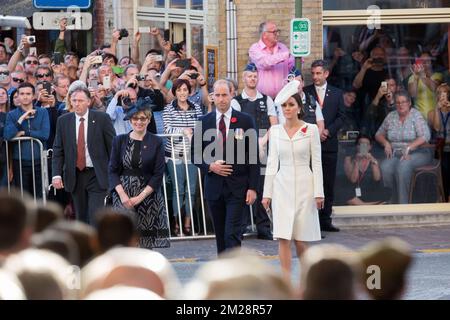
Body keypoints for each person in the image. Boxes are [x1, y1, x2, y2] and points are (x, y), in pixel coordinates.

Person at [262, 80, 324, 283]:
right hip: (282, 187)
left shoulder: (312, 129)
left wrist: (319, 192)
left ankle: (308, 280)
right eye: (284, 105)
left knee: (300, 238)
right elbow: (272, 163)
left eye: (291, 104)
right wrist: (267, 194)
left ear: (299, 107)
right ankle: (286, 283)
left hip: (306, 186)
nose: (287, 109)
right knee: (283, 236)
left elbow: (316, 162)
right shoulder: (276, 131)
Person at [191, 79, 259, 254]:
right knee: (221, 236)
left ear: (232, 94)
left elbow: (253, 156)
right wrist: (210, 166)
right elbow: (195, 154)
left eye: (225, 95)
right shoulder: (203, 121)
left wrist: (253, 187)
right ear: (212, 96)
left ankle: (235, 273)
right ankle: (224, 275)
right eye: (217, 95)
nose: (221, 99)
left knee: (232, 234)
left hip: (238, 188)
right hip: (214, 187)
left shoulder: (245, 120)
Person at [52, 84, 116, 225]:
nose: (77, 104)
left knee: (95, 215)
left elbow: (113, 148)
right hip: (75, 175)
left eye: (80, 100)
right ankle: (85, 245)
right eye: (74, 100)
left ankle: (97, 246)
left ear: (88, 101)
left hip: (97, 174)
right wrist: (56, 174)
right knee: (80, 217)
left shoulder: (102, 119)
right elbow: (58, 149)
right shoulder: (63, 121)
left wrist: (114, 173)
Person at [109, 104, 170, 249]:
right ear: (130, 120)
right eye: (135, 118)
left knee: (145, 245)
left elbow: (158, 174)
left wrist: (140, 197)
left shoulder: (156, 142)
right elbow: (112, 170)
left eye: (143, 118)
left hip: (148, 197)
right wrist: (123, 196)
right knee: (123, 241)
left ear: (149, 120)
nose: (139, 122)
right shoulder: (119, 140)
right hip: (122, 196)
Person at [230, 63, 276, 240]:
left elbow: (274, 124)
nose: (252, 79)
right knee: (243, 186)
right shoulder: (237, 101)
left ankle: (263, 227)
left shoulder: (267, 99)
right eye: (249, 76)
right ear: (244, 77)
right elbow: (235, 126)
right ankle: (240, 227)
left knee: (263, 187)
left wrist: (263, 142)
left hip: (264, 147)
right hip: (243, 148)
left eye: (255, 76)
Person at [304, 60, 345, 232]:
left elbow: (342, 117)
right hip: (309, 146)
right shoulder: (305, 92)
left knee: (327, 183)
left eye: (318, 73)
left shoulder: (336, 93)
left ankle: (325, 220)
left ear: (326, 74)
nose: (315, 77)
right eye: (313, 73)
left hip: (329, 144)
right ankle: (310, 220)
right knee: (310, 183)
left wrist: (328, 131)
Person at [375, 91, 432, 204]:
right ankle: (391, 201)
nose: (400, 105)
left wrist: (410, 147)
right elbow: (378, 134)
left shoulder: (416, 115)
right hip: (397, 153)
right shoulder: (391, 116)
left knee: (402, 167)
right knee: (385, 167)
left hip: (419, 152)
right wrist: (386, 143)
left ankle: (403, 205)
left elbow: (425, 136)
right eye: (398, 103)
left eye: (403, 102)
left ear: (409, 103)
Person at [163, 79, 203, 236]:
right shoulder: (168, 109)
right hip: (174, 154)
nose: (182, 93)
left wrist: (191, 131)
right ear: (174, 92)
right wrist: (184, 131)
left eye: (185, 90)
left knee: (191, 190)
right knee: (178, 189)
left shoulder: (196, 108)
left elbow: (200, 127)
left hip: (192, 154)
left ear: (189, 91)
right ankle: (177, 223)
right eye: (179, 90)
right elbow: (167, 128)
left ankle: (188, 223)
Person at [4, 82, 50, 199]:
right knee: (23, 197)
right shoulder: (12, 114)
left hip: (39, 160)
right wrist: (22, 118)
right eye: (22, 94)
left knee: (40, 196)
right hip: (20, 161)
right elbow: (7, 135)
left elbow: (45, 134)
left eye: (28, 94)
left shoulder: (43, 112)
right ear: (17, 96)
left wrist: (25, 133)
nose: (25, 96)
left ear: (34, 96)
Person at [249, 21, 295, 98]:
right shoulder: (255, 49)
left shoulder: (283, 48)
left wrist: (297, 59)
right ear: (264, 35)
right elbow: (265, 62)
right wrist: (286, 55)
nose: (277, 34)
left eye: (277, 31)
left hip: (283, 98)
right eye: (274, 32)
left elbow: (291, 68)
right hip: (262, 99)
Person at [342, 134, 390, 205]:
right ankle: (370, 205)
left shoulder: (374, 159)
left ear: (370, 147)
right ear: (357, 146)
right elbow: (353, 180)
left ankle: (362, 205)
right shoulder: (350, 159)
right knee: (344, 193)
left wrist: (372, 160)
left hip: (369, 192)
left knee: (387, 191)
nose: (363, 147)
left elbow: (377, 178)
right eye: (361, 144)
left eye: (366, 145)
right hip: (355, 192)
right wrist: (357, 162)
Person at [428, 84, 450, 201]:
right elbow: (437, 128)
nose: (442, 96)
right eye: (440, 93)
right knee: (444, 168)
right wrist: (437, 109)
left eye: (445, 93)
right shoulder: (431, 113)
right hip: (440, 150)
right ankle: (445, 198)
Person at [408, 52, 443, 119]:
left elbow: (435, 88)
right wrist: (416, 77)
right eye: (422, 61)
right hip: (419, 117)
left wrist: (422, 75)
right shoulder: (413, 77)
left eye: (427, 61)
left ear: (431, 62)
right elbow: (412, 94)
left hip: (435, 116)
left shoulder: (437, 75)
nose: (424, 63)